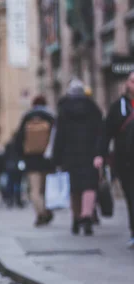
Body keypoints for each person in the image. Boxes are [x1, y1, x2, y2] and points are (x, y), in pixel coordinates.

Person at [53, 79, 104, 236]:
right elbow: (101, 133)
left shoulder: (63, 109)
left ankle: (75, 219)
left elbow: (59, 136)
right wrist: (100, 152)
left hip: (70, 154)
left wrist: (56, 158)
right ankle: (87, 216)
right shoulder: (93, 108)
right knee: (89, 186)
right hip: (90, 153)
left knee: (74, 188)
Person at [14, 95, 55, 226]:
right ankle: (47, 211)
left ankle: (40, 213)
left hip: (31, 159)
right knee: (46, 189)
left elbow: (19, 139)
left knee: (35, 190)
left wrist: (21, 157)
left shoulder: (27, 117)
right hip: (48, 159)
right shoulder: (50, 117)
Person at [104, 71, 134, 248]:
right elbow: (107, 132)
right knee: (131, 196)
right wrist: (101, 155)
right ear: (127, 84)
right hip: (126, 161)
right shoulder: (118, 107)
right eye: (132, 81)